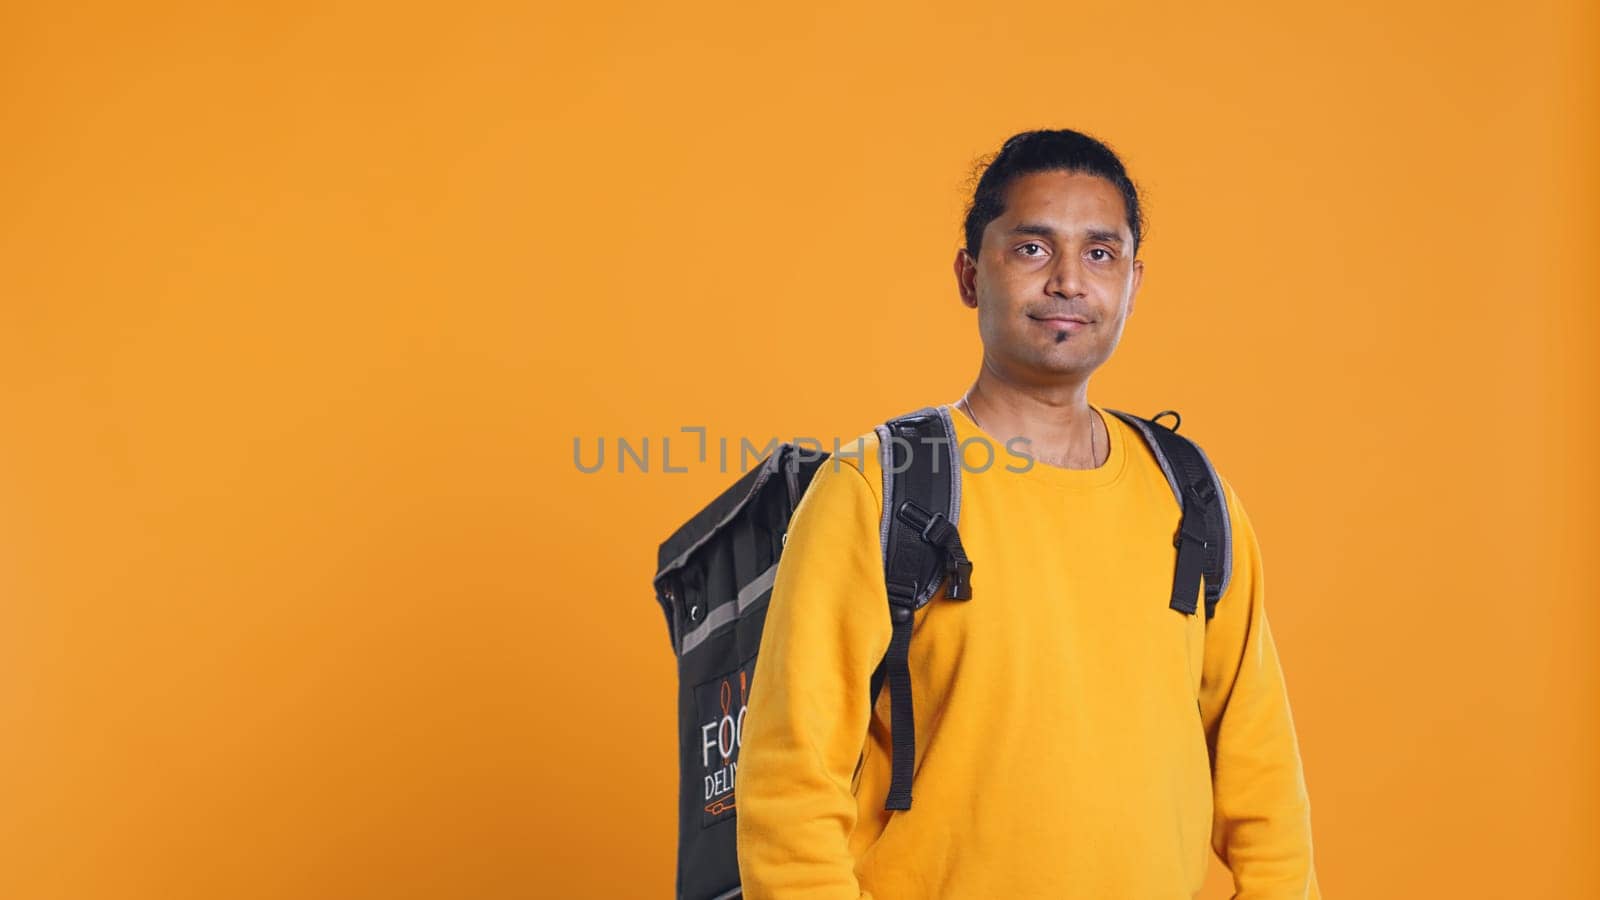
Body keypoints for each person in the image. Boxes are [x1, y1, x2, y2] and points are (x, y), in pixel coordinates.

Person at [734, 129, 1321, 898]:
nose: (1070, 282)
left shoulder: (1192, 496)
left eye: (1101, 254)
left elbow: (1264, 781)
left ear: (1134, 284)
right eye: (1033, 250)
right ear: (971, 275)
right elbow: (789, 788)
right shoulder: (879, 490)